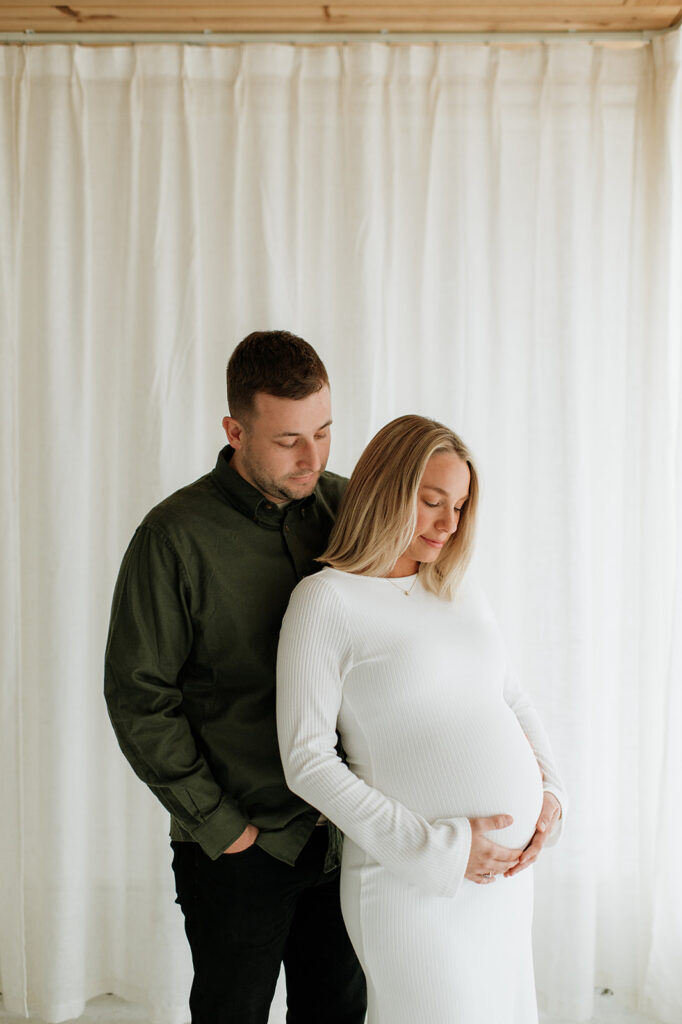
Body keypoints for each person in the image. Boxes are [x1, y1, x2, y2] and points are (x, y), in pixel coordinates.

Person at [104, 331, 367, 1024]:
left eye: (325, 430)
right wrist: (223, 828)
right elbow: (139, 699)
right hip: (238, 845)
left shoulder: (353, 510)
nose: (313, 457)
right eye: (288, 441)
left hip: (343, 837)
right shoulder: (173, 537)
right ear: (235, 430)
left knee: (339, 1012)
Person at [277, 414, 566, 1024]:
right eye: (431, 501)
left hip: (504, 883)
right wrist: (437, 850)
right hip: (409, 884)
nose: (448, 523)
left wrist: (551, 795)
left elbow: (511, 700)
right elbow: (305, 761)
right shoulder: (326, 601)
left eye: (459, 506)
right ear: (386, 491)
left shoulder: (458, 590)